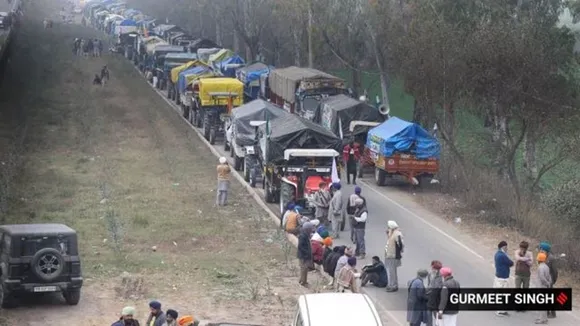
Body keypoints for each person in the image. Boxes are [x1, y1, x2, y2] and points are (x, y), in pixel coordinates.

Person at [494, 240, 513, 317]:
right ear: (503, 247)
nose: (507, 249)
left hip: (498, 276)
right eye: (506, 247)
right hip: (503, 277)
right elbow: (511, 263)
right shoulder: (502, 255)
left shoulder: (497, 254)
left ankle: (500, 310)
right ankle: (501, 311)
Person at [539, 241, 558, 319]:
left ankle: (553, 313)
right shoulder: (542, 256)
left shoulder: (551, 258)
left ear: (545, 250)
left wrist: (553, 281)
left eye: (541, 249)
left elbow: (555, 271)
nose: (540, 250)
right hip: (544, 280)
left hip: (549, 280)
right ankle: (546, 312)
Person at [385, 220, 404, 292]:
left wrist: (399, 253)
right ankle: (393, 284)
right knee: (392, 271)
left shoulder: (397, 234)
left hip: (394, 255)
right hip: (390, 254)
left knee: (392, 271)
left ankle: (393, 285)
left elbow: (400, 244)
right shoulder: (392, 232)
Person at [535, 252, 552, 325]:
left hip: (541, 287)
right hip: (545, 287)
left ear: (539, 259)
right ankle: (544, 319)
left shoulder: (540, 267)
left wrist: (546, 283)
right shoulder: (546, 266)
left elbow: (542, 278)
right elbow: (549, 277)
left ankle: (542, 320)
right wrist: (549, 283)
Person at [426, 260, 443, 325]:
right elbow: (429, 284)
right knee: (428, 314)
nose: (433, 269)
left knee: (437, 316)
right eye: (433, 268)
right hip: (430, 296)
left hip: (437, 298)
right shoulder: (430, 274)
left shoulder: (442, 277)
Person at [297, 222, 314, 287]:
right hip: (303, 256)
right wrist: (306, 253)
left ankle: (302, 280)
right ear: (307, 229)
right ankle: (303, 282)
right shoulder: (302, 236)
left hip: (304, 255)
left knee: (304, 269)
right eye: (310, 229)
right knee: (304, 269)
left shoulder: (305, 234)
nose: (311, 231)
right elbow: (300, 247)